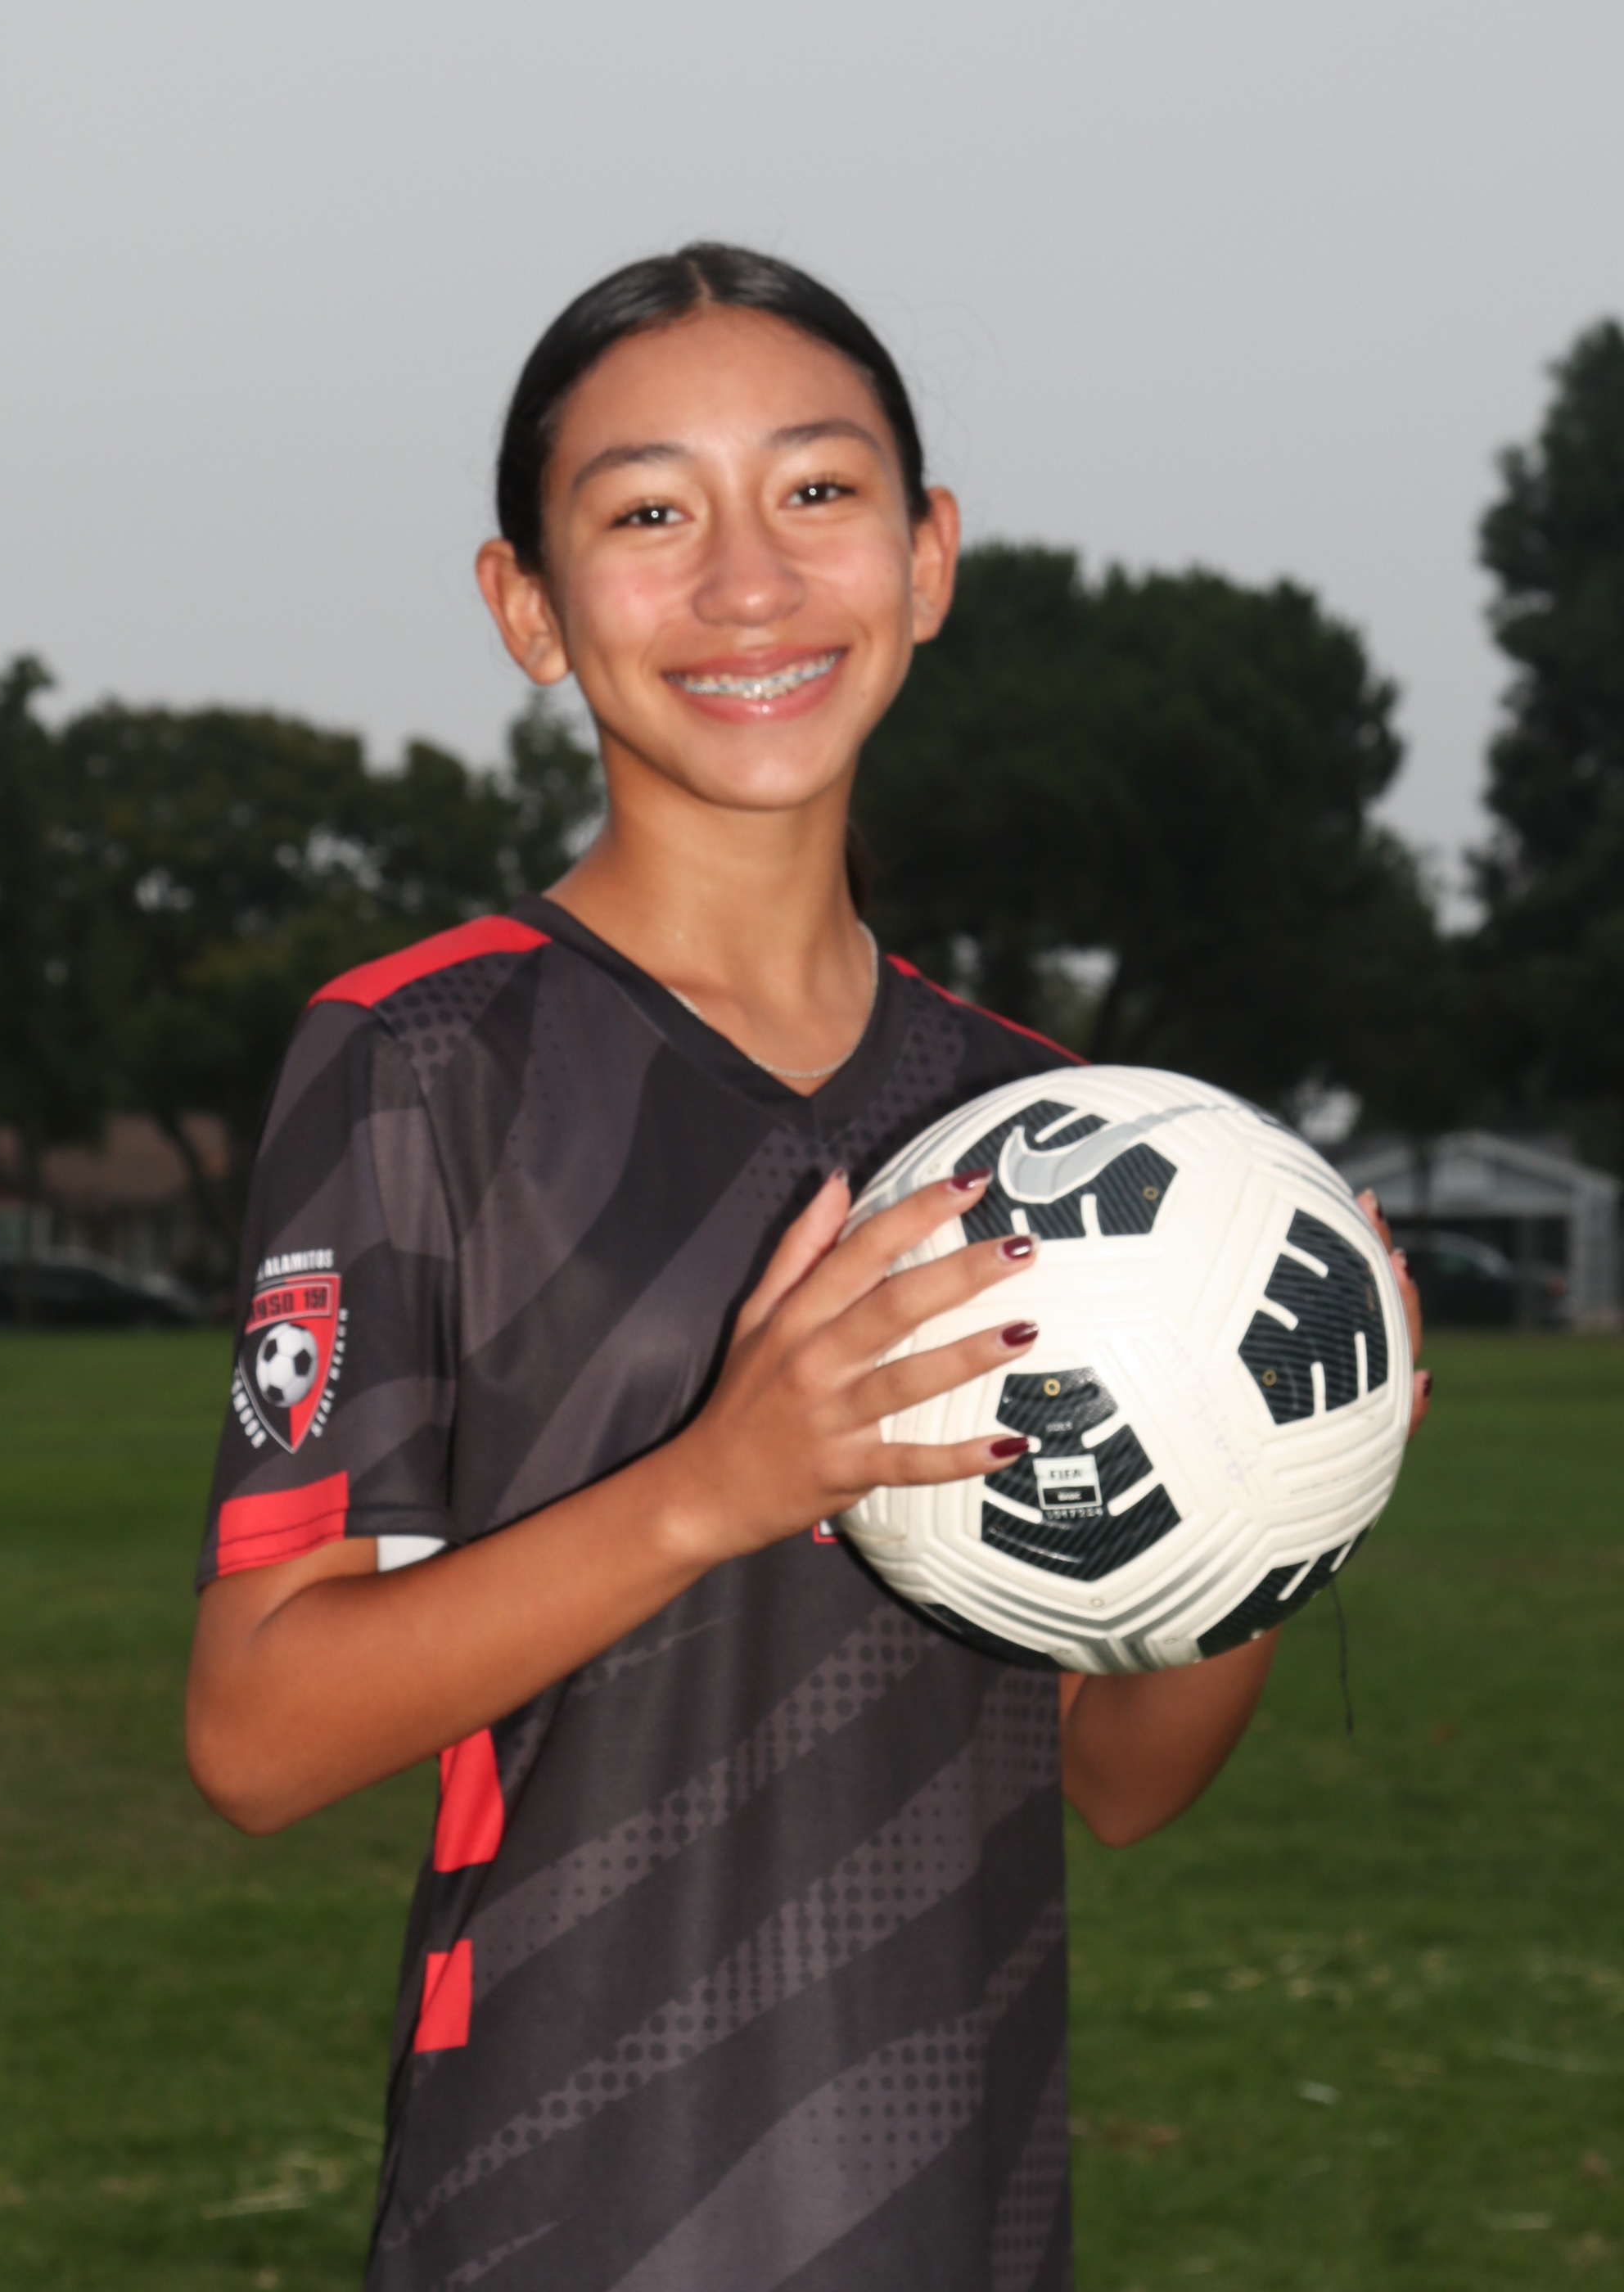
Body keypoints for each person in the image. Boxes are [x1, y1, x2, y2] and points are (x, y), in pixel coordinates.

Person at [186, 244, 1427, 2291]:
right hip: (566, 2213)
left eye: (818, 492)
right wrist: (717, 1484)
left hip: (959, 2209)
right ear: (528, 604)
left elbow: (1122, 1778)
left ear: (926, 558)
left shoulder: (1050, 1126)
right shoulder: (423, 1056)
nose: (747, 582)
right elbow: (256, 1731)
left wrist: (1283, 1465)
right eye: (647, 513)